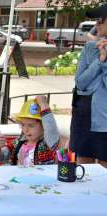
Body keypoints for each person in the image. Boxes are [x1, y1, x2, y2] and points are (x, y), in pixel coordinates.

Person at [70, 4, 107, 168]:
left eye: (100, 21)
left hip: (104, 120)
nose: (96, 25)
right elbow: (80, 82)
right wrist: (99, 61)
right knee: (83, 166)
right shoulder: (90, 48)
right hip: (83, 116)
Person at [0, 96, 60, 166]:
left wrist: (43, 105)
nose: (26, 130)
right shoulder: (18, 142)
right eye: (23, 125)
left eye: (31, 125)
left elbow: (51, 130)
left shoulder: (47, 144)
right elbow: (2, 158)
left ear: (44, 126)